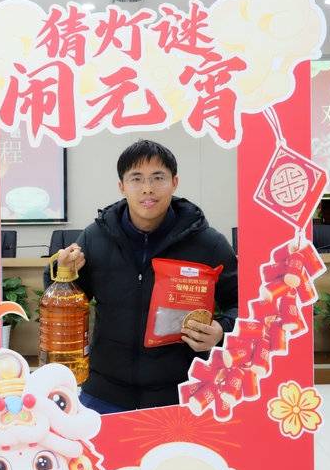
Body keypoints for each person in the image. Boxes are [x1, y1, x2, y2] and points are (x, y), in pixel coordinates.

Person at [43, 139, 238, 414]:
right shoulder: (95, 237)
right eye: (136, 179)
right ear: (122, 187)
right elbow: (62, 296)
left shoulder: (208, 243)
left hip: (182, 393)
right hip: (103, 392)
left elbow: (243, 303)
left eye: (158, 177)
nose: (148, 188)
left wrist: (222, 330)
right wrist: (63, 272)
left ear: (174, 182)